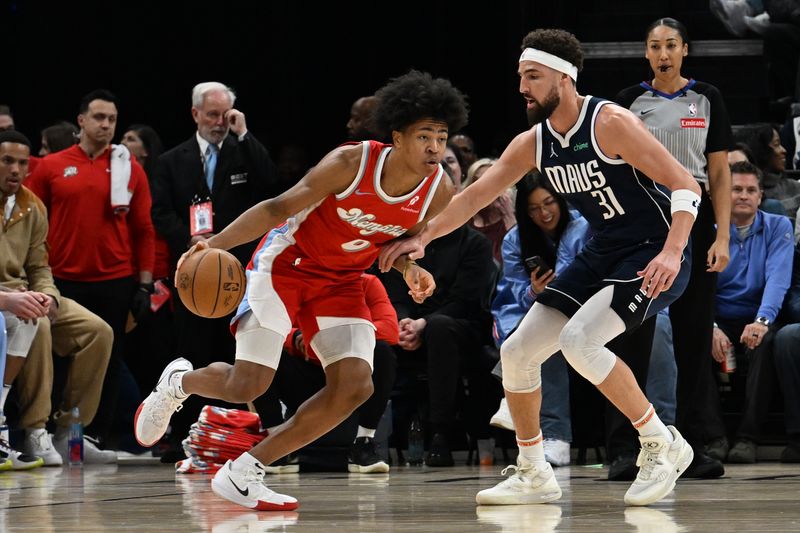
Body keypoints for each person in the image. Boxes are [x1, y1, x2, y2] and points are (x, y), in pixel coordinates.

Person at [380, 29, 700, 507]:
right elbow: (473, 198)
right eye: (521, 76)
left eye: (533, 76)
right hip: (605, 248)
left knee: (579, 342)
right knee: (518, 352)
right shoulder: (534, 142)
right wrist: (423, 235)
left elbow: (684, 184)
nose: (522, 87)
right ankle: (533, 471)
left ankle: (661, 444)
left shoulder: (610, 122)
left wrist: (672, 251)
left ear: (565, 79)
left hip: (654, 249)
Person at [135, 70, 469, 510]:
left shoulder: (438, 192)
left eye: (442, 137)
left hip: (342, 281)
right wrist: (211, 245)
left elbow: (392, 243)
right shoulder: (351, 164)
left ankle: (244, 472)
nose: (435, 148)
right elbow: (277, 207)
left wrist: (409, 269)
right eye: (425, 135)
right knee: (249, 382)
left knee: (354, 386)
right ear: (397, 137)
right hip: (286, 266)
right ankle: (178, 384)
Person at [615, 17, 732, 479]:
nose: (663, 54)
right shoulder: (628, 101)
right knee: (631, 335)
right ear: (646, 53)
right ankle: (629, 447)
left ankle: (697, 444)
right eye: (654, 46)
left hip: (696, 219)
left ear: (685, 50)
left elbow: (719, 173)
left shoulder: (708, 98)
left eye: (671, 46)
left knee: (691, 335)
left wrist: (721, 235)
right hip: (644, 219)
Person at [151, 82, 286, 459]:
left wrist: (244, 133)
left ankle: (259, 437)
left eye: (226, 115)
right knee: (191, 350)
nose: (220, 122)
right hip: (194, 273)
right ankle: (184, 438)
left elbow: (272, 186)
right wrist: (198, 249)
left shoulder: (244, 151)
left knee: (244, 353)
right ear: (195, 114)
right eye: (212, 114)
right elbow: (160, 212)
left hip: (240, 272)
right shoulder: (170, 160)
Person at [26, 89, 155, 448]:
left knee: (109, 362)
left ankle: (89, 439)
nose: (106, 125)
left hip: (115, 279)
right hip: (61, 277)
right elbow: (30, 220)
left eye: (112, 119)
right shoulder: (52, 166)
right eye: (99, 117)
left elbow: (143, 229)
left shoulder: (130, 168)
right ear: (81, 121)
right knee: (52, 358)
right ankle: (44, 433)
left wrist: (144, 285)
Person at [0, 130, 114, 465]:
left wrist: (48, 296)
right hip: (7, 298)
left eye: (22, 163)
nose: (16, 170)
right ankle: (35, 430)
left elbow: (39, 265)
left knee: (98, 332)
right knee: (35, 323)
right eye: (7, 161)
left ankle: (70, 432)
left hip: (28, 291)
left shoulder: (32, 206)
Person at [490, 172, 590, 466]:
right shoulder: (514, 240)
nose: (544, 213)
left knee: (547, 329)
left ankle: (510, 396)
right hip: (534, 313)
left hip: (584, 310)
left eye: (549, 203)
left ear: (560, 199)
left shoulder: (582, 227)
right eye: (534, 208)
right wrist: (535, 290)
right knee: (544, 334)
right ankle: (555, 437)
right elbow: (514, 292)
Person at [253, 273, 398, 473]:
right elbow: (268, 325)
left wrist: (334, 336)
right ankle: (278, 446)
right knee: (261, 347)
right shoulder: (297, 282)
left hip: (348, 376)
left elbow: (390, 330)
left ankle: (363, 442)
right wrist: (295, 337)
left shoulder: (368, 283)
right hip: (306, 375)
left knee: (382, 352)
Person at [704, 161, 794, 463]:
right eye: (736, 189)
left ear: (760, 196)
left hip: (758, 314)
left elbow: (778, 278)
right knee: (694, 341)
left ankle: (747, 437)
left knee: (766, 343)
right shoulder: (709, 229)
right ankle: (714, 436)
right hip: (719, 316)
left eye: (750, 190)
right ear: (724, 194)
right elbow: (701, 288)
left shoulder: (778, 226)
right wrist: (711, 325)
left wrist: (762, 320)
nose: (743, 195)